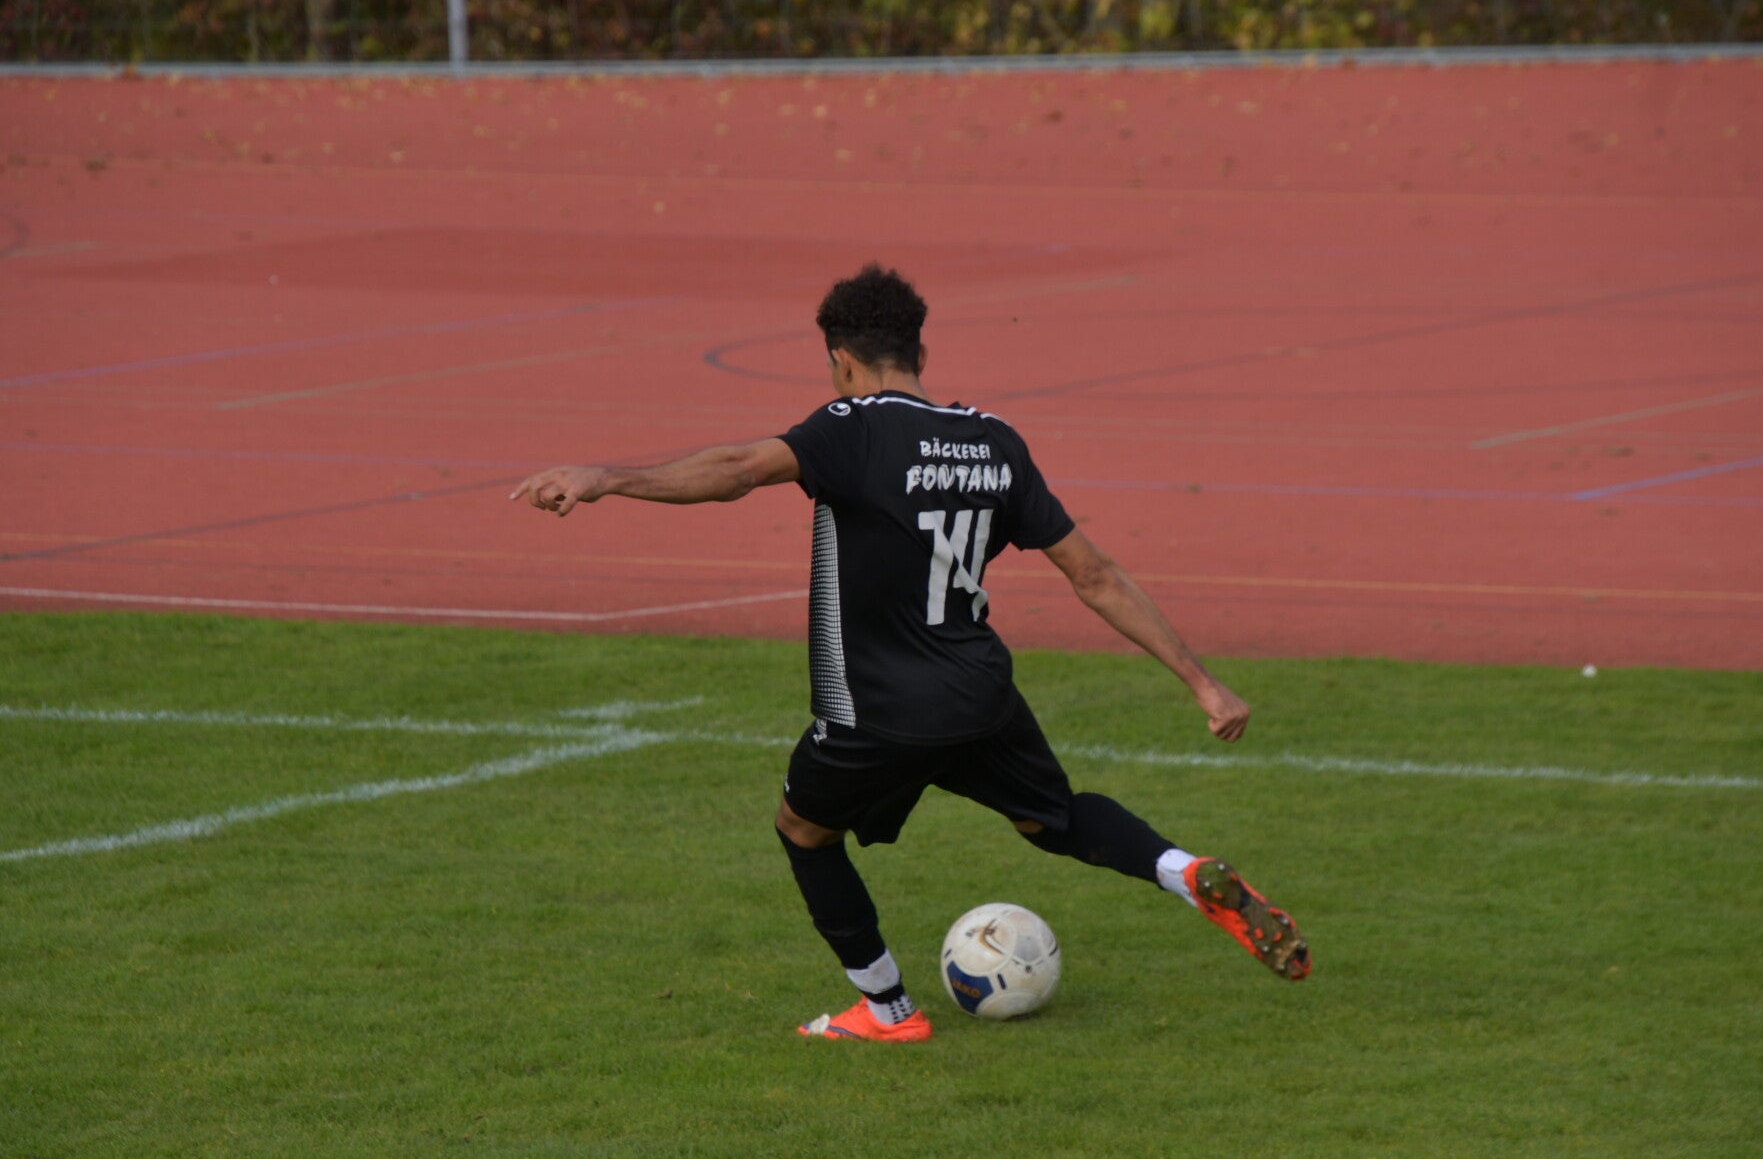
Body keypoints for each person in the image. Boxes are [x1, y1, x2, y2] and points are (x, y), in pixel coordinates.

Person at [511, 264, 1310, 1043]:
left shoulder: (850, 427)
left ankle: (889, 1012)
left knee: (803, 831)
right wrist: (1203, 684)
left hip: (878, 709)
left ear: (841, 360)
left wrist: (607, 477)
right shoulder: (995, 442)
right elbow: (1093, 575)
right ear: (920, 352)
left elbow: (737, 470)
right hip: (979, 693)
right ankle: (1182, 870)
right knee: (1053, 818)